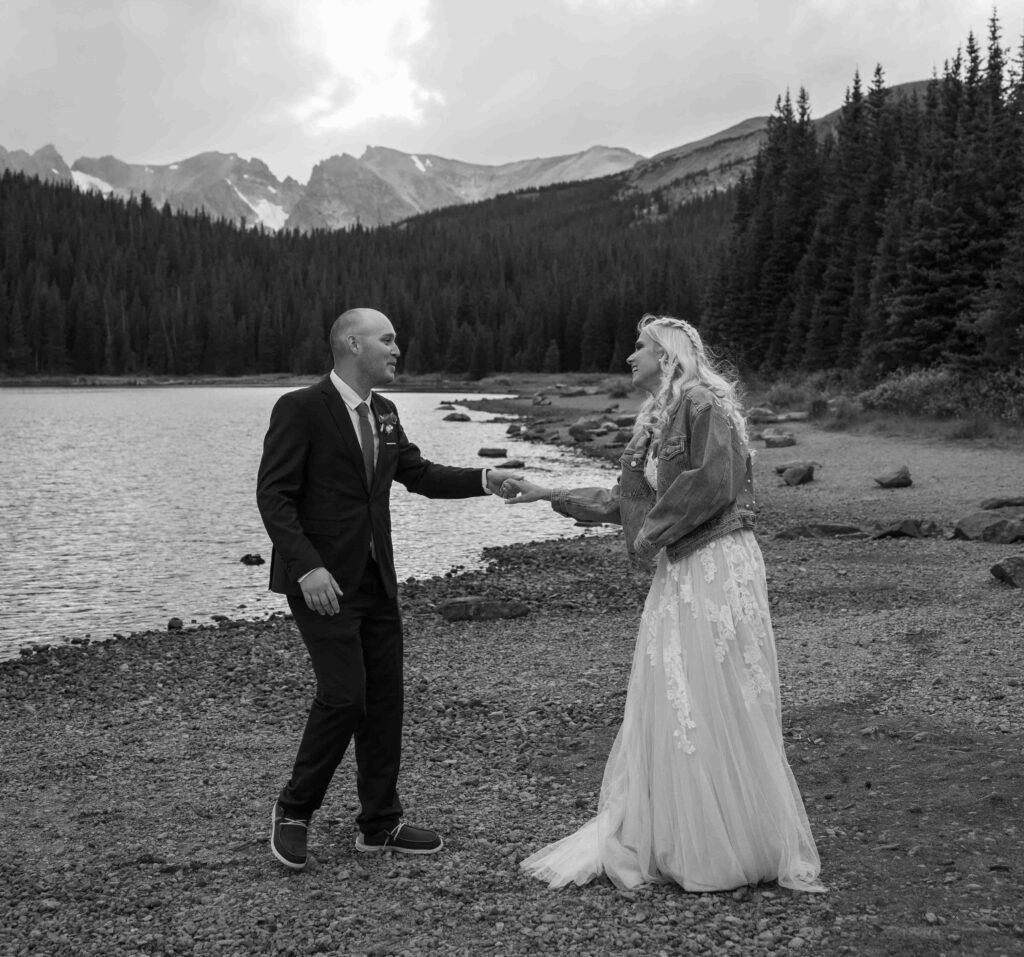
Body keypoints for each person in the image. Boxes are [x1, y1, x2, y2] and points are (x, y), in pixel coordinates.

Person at [501, 313, 824, 893]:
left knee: (718, 689)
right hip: (680, 567)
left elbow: (713, 483)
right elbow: (629, 503)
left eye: (640, 348)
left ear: (668, 355)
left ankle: (735, 840)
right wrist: (546, 492)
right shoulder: (655, 420)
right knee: (675, 694)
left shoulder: (703, 404)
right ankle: (686, 833)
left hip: (716, 562)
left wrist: (650, 536)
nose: (630, 357)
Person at [257, 307, 518, 871]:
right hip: (321, 584)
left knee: (384, 702)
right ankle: (294, 810)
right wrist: (307, 567)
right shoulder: (299, 408)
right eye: (388, 339)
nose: (398, 349)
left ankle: (379, 823)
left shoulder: (385, 412)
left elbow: (417, 474)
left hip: (377, 582)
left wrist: (483, 480)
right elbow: (273, 497)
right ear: (353, 343)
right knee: (345, 695)